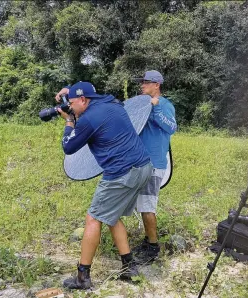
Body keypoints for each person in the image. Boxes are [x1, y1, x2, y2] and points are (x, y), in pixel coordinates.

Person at [55, 82, 153, 289]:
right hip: (143, 166)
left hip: (121, 173)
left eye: (71, 103)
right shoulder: (112, 102)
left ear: (83, 100)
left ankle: (83, 277)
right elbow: (89, 93)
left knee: (93, 218)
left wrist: (69, 122)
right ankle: (129, 267)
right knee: (112, 215)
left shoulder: (88, 119)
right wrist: (68, 90)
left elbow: (68, 146)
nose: (70, 107)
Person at [132, 70, 177, 264]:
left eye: (146, 82)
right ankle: (147, 240)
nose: (142, 85)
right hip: (140, 162)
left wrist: (156, 108)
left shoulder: (165, 105)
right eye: (141, 82)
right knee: (143, 205)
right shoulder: (141, 104)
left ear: (156, 85)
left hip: (154, 163)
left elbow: (171, 128)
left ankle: (153, 247)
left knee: (148, 205)